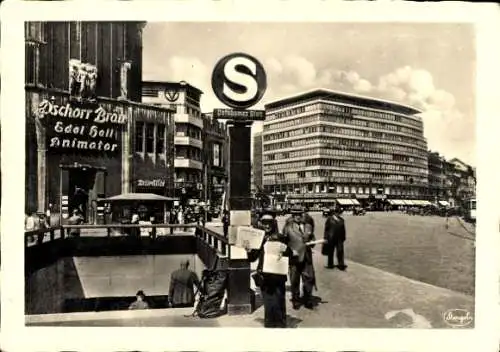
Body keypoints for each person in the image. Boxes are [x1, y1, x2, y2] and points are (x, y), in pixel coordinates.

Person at [244, 210, 291, 328]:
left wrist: (286, 250)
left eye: (270, 222)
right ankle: (270, 330)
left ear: (274, 223)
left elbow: (290, 256)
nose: (267, 225)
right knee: (269, 306)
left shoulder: (281, 238)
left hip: (278, 276)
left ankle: (281, 328)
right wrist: (248, 250)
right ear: (261, 223)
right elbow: (252, 258)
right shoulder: (259, 239)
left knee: (279, 303)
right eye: (264, 222)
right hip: (265, 277)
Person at [282, 205, 317, 310]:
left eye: (299, 214)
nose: (297, 216)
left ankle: (307, 299)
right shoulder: (287, 228)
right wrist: (290, 251)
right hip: (294, 258)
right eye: (295, 214)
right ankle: (296, 300)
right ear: (292, 215)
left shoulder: (308, 226)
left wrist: (311, 243)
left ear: (303, 214)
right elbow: (283, 243)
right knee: (294, 280)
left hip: (306, 257)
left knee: (309, 279)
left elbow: (313, 240)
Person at [322, 206, 347, 270]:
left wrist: (344, 237)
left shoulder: (342, 220)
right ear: (334, 213)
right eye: (337, 212)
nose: (338, 214)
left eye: (339, 212)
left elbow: (343, 230)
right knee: (330, 252)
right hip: (331, 238)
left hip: (339, 238)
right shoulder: (329, 219)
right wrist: (325, 237)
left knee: (340, 251)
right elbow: (326, 229)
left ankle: (341, 265)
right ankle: (330, 264)